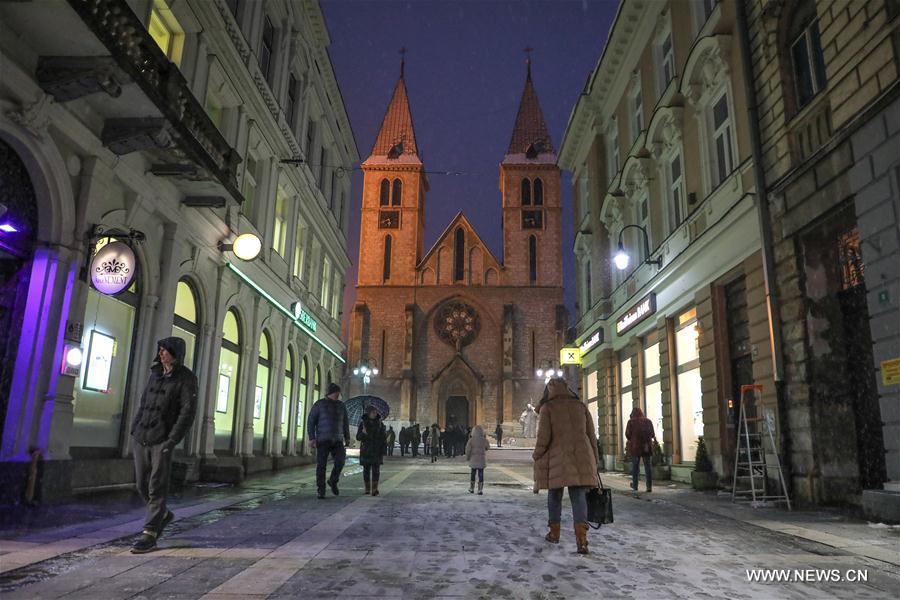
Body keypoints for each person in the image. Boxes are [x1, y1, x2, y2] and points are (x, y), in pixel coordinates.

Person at [129, 337, 197, 554]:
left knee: (156, 485)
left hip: (162, 439)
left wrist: (172, 440)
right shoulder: (155, 374)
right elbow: (144, 401)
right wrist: (134, 427)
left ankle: (150, 532)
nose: (161, 354)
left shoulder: (186, 378)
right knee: (141, 484)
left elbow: (187, 412)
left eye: (165, 350)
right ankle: (163, 515)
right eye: (159, 350)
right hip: (142, 436)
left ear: (175, 353)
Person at [532, 377, 599, 555]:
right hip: (581, 457)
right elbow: (591, 435)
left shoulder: (549, 408)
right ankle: (582, 540)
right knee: (579, 497)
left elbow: (543, 438)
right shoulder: (580, 406)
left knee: (555, 495)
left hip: (558, 459)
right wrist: (595, 459)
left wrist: (537, 454)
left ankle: (554, 533)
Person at [307, 382, 351, 499]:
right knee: (321, 465)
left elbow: (345, 422)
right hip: (323, 439)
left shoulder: (341, 406)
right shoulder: (319, 405)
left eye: (339, 393)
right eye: (337, 393)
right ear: (331, 393)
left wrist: (347, 437)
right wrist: (312, 438)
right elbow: (311, 421)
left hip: (337, 439)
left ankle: (333, 480)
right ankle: (321, 489)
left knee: (340, 461)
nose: (338, 395)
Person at [356, 406, 386, 496]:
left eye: (375, 412)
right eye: (373, 412)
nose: (375, 413)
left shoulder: (380, 424)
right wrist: (363, 433)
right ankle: (367, 488)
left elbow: (383, 438)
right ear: (368, 413)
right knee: (366, 470)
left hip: (377, 450)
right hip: (366, 450)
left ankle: (374, 489)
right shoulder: (363, 424)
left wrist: (384, 449)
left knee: (376, 470)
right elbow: (358, 437)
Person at [625, 407, 656, 495]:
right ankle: (649, 487)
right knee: (648, 467)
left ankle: (635, 485)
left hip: (636, 447)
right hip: (647, 447)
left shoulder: (631, 422)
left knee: (635, 467)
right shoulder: (648, 421)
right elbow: (652, 434)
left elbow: (627, 434)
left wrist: (633, 438)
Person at [466, 425, 489, 494]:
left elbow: (467, 450)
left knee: (473, 473)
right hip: (481, 459)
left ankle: (472, 488)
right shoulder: (484, 440)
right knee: (481, 474)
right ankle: (480, 489)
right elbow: (487, 447)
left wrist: (468, 457)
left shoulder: (471, 440)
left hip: (473, 459)